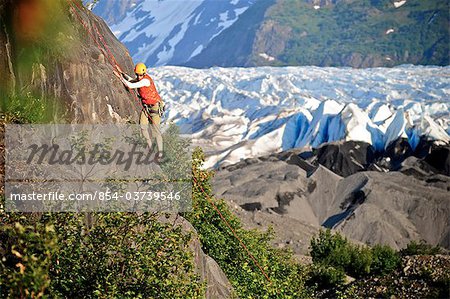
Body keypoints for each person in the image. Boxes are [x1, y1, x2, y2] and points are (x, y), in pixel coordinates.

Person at [113, 63, 164, 159]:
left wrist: (119, 77)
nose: (139, 77)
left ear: (144, 74)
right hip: (146, 107)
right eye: (137, 75)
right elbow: (132, 80)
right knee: (143, 127)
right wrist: (122, 73)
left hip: (154, 107)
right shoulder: (140, 79)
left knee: (156, 131)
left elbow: (130, 85)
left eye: (140, 75)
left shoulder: (145, 81)